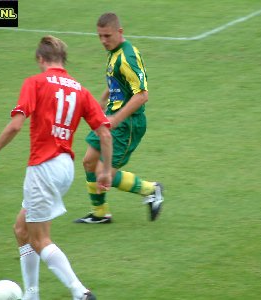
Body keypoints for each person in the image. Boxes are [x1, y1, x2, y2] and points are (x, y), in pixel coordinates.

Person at [0, 35, 112, 300]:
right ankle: (31, 295)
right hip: (65, 168)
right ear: (62, 60)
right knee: (21, 229)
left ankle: (80, 292)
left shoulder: (35, 83)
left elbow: (16, 124)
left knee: (40, 239)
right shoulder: (79, 89)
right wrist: (105, 169)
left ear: (41, 59)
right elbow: (105, 134)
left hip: (43, 167)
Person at [75, 12, 164, 224]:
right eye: (100, 36)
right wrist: (102, 102)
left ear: (120, 32)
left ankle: (152, 190)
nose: (103, 41)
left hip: (128, 124)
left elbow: (142, 95)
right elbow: (115, 81)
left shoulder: (127, 57)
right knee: (89, 161)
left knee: (103, 172)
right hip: (111, 117)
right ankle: (100, 213)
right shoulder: (114, 52)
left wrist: (116, 119)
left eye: (107, 36)